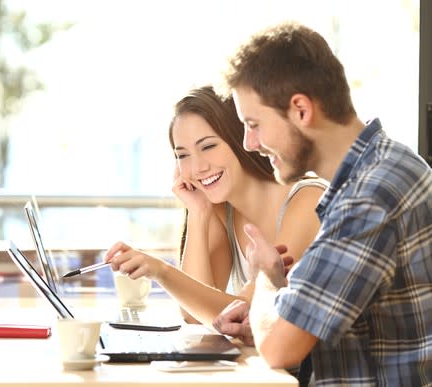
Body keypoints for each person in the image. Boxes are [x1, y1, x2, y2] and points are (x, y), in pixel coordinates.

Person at [211, 22, 432, 386]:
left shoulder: (368, 196)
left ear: (300, 109)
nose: (249, 143)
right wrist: (278, 299)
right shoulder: (388, 166)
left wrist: (265, 279)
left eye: (254, 124)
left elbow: (279, 349)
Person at [104, 85, 326, 334]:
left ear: (241, 139)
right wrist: (199, 213)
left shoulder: (308, 201)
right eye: (183, 155)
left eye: (208, 146)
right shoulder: (223, 209)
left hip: (312, 371)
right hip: (269, 365)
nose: (197, 168)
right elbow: (194, 315)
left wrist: (162, 271)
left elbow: (244, 311)